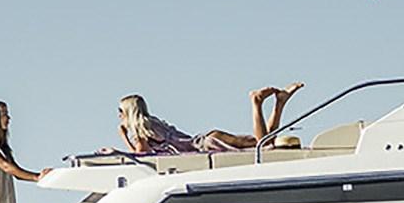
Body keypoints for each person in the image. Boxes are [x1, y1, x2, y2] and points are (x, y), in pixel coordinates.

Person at [116, 83, 304, 157]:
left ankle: (257, 103)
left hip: (205, 145)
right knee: (264, 143)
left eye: (120, 111)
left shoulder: (140, 131)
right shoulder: (154, 123)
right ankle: (280, 103)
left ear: (128, 112)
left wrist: (124, 137)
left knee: (263, 146)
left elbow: (143, 156)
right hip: (207, 138)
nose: (119, 116)